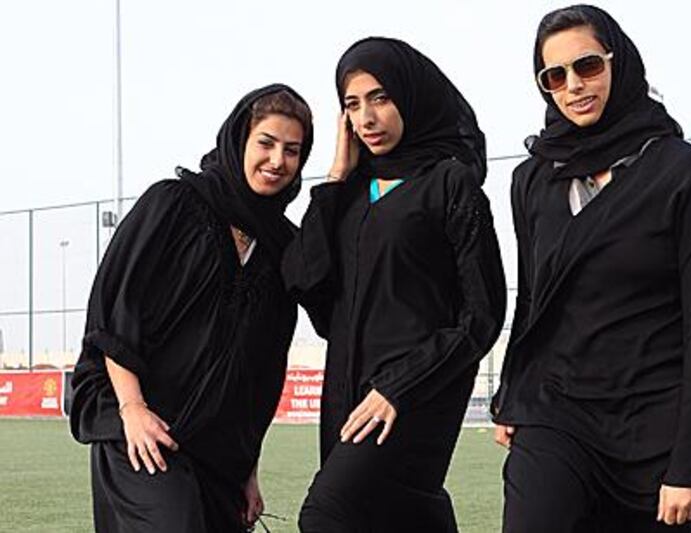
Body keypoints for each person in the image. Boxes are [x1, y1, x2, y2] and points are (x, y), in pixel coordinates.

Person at [492, 5, 691, 532]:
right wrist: (512, 394)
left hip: (655, 428)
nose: (573, 86)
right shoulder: (532, 179)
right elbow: (533, 299)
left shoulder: (684, 173)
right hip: (556, 413)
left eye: (588, 66)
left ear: (618, 62)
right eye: (554, 76)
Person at [282, 37, 506, 532]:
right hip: (347, 394)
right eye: (352, 105)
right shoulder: (353, 194)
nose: (366, 118)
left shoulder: (451, 184)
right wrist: (336, 179)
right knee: (395, 518)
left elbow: (483, 314)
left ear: (411, 95)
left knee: (325, 516)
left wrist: (399, 388)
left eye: (380, 98)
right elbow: (304, 281)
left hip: (415, 396)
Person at [69, 84, 314, 532]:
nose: (277, 160)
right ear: (240, 139)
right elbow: (117, 310)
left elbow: (260, 369)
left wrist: (249, 468)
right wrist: (132, 408)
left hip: (216, 447)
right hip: (140, 424)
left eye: (292, 150)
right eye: (266, 143)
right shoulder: (174, 204)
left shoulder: (283, 247)